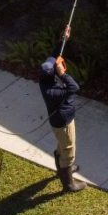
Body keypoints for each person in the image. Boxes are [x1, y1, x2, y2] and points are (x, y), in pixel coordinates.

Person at [39, 28, 86, 193]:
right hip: (63, 122)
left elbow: (53, 55)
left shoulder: (45, 78)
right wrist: (63, 73)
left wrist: (63, 39)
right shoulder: (51, 92)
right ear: (53, 74)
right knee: (68, 151)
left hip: (61, 121)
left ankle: (63, 171)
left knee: (62, 146)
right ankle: (68, 184)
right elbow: (74, 87)